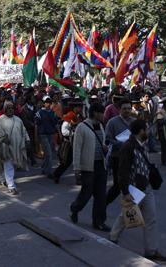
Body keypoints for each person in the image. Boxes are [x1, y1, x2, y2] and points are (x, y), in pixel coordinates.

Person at [109, 119, 166, 263]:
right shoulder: (128, 147)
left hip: (146, 187)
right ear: (140, 131)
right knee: (126, 216)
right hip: (134, 189)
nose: (148, 131)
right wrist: (125, 191)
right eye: (146, 129)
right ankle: (113, 238)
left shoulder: (143, 144)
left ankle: (151, 251)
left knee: (151, 219)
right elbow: (122, 171)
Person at [70, 103, 109, 231]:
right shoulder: (82, 127)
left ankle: (99, 221)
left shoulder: (101, 126)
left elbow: (101, 141)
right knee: (86, 194)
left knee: (101, 196)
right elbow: (77, 149)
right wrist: (77, 168)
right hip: (88, 167)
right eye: (101, 112)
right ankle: (75, 208)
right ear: (95, 113)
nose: (103, 115)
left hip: (100, 165)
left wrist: (104, 148)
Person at [0, 101, 29, 195]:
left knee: (11, 166)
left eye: (12, 108)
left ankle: (4, 180)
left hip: (16, 147)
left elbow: (23, 131)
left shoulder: (18, 120)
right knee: (8, 166)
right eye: (8, 108)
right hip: (5, 147)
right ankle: (11, 186)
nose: (11, 110)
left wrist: (27, 140)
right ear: (5, 109)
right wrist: (3, 139)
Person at [105, 99, 135, 208]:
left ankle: (131, 210)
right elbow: (108, 139)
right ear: (119, 110)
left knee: (131, 184)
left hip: (132, 157)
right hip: (117, 157)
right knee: (118, 185)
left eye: (129, 108)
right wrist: (121, 144)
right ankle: (103, 203)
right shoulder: (112, 122)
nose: (127, 111)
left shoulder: (134, 122)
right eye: (124, 109)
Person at [53, 99, 83, 183]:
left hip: (77, 142)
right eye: (79, 107)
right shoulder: (70, 116)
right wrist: (74, 133)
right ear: (74, 108)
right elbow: (64, 131)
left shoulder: (79, 116)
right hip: (69, 143)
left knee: (78, 160)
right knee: (66, 161)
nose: (80, 109)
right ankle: (56, 174)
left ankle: (79, 178)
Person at [35, 95, 59, 178]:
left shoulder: (52, 112)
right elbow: (36, 125)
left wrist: (58, 133)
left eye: (49, 102)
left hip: (50, 134)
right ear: (43, 103)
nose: (48, 104)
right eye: (46, 102)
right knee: (49, 153)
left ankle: (44, 168)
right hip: (43, 134)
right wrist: (36, 137)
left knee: (47, 153)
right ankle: (49, 172)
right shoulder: (39, 113)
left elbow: (56, 124)